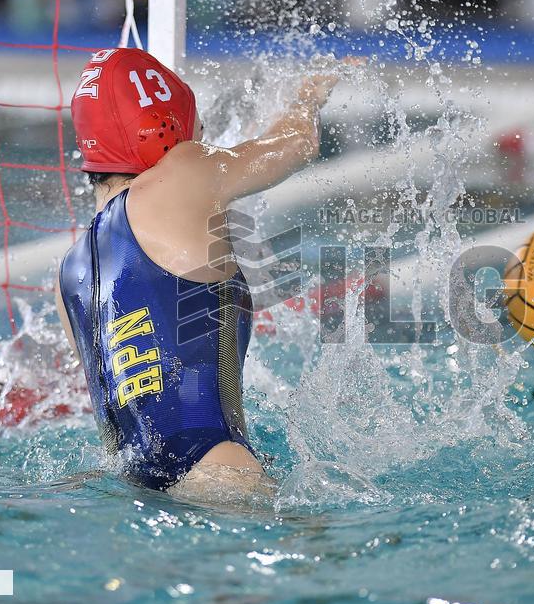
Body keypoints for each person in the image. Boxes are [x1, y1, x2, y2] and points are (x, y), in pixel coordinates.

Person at [55, 47, 337, 498]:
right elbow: (297, 143)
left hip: (135, 489)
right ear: (167, 132)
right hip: (221, 471)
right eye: (195, 125)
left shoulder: (70, 272)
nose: (202, 136)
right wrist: (308, 97)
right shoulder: (183, 172)